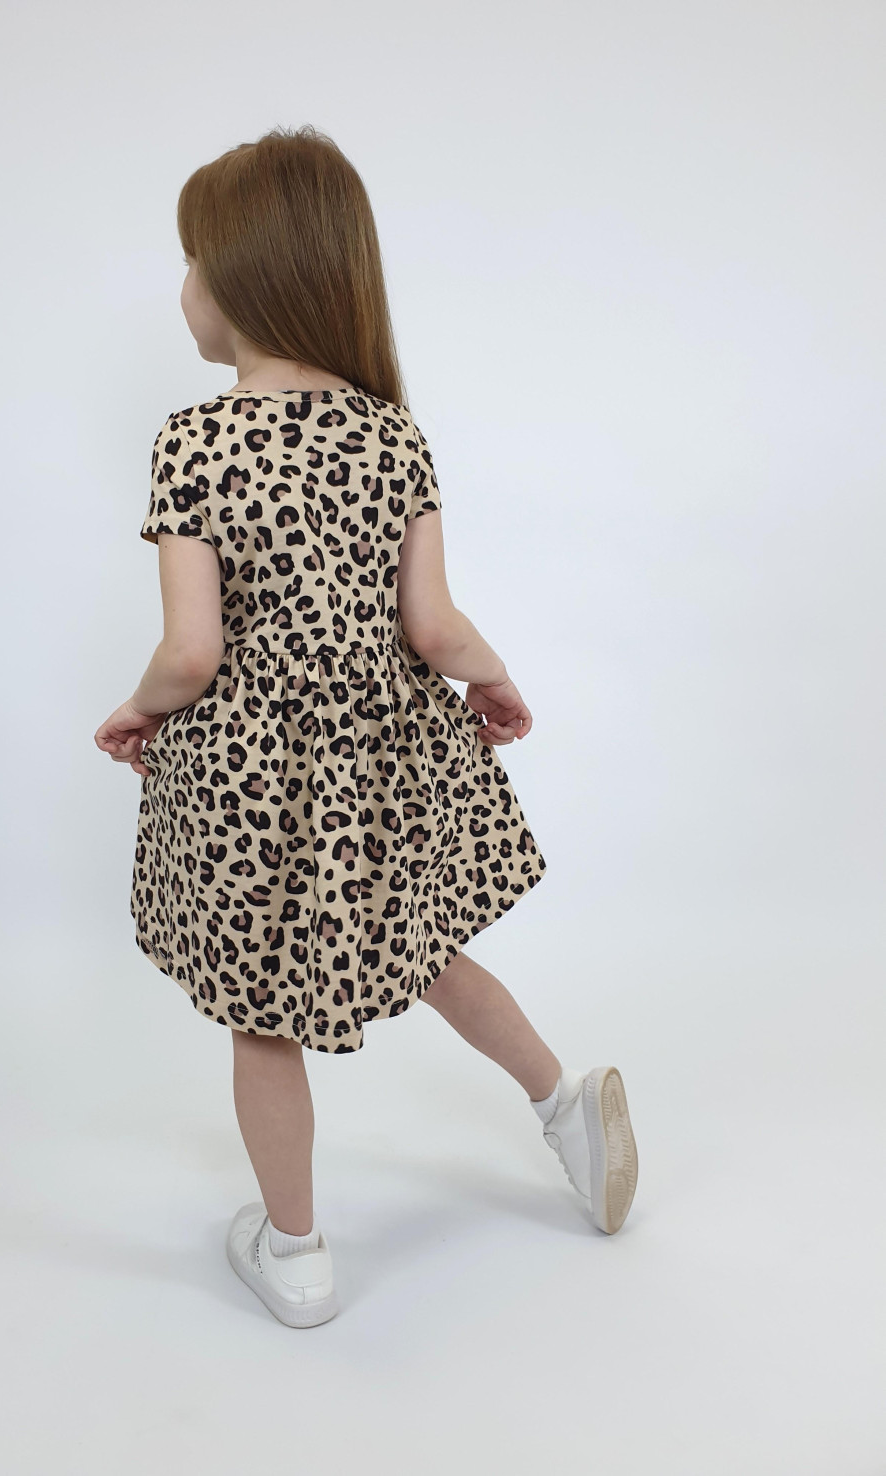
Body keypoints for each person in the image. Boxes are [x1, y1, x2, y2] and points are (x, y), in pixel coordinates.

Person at [94, 125, 638, 1329]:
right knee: (425, 943)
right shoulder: (394, 435)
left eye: (191, 259)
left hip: (248, 780)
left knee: (261, 1008)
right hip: (376, 762)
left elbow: (192, 654)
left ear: (244, 276)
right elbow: (433, 626)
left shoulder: (196, 442)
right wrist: (493, 681)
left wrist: (137, 708)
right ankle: (562, 1103)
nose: (183, 285)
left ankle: (295, 1253)